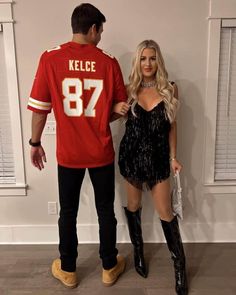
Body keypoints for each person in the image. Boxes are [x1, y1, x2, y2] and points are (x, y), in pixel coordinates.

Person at [28, 3, 130, 289]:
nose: (101, 36)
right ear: (94, 28)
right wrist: (117, 110)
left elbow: (39, 110)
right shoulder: (109, 63)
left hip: (69, 153)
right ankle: (109, 266)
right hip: (100, 152)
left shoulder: (50, 59)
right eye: (101, 30)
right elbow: (113, 112)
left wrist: (34, 143)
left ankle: (69, 269)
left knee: (68, 212)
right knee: (105, 210)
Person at [118, 40, 188, 295]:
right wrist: (118, 107)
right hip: (131, 158)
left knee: (165, 212)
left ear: (159, 61)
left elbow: (173, 126)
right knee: (134, 207)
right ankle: (138, 251)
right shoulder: (128, 89)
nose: (148, 63)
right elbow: (111, 114)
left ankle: (180, 266)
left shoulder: (170, 89)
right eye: (144, 58)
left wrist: (173, 157)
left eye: (153, 58)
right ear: (138, 62)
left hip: (158, 160)